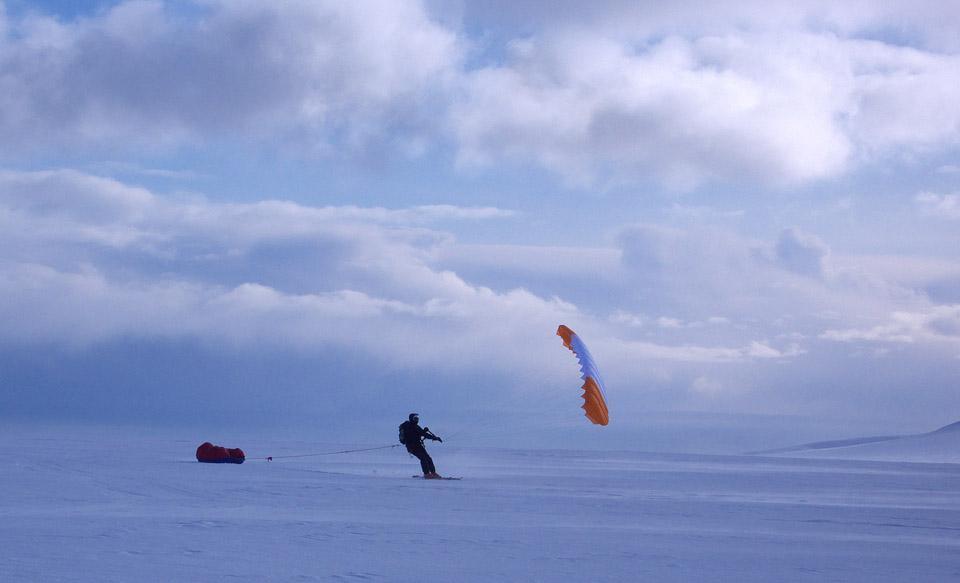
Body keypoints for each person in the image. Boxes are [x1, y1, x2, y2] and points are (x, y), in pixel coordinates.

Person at [399, 413, 443, 479]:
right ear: (411, 419)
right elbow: (420, 434)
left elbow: (423, 433)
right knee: (423, 458)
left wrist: (434, 437)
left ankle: (433, 473)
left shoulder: (416, 426)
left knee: (428, 458)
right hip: (412, 447)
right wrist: (424, 433)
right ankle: (427, 474)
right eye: (415, 418)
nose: (417, 420)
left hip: (418, 446)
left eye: (417, 418)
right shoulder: (408, 427)